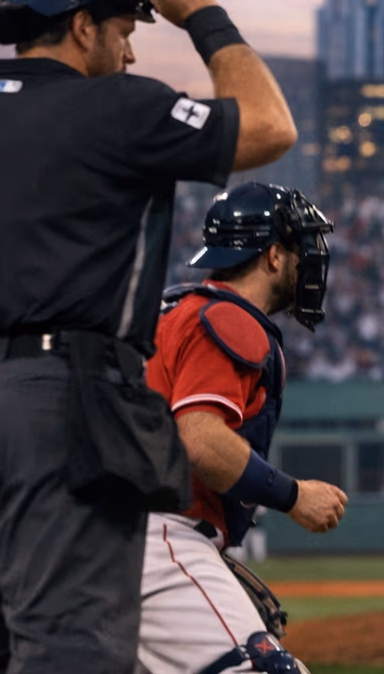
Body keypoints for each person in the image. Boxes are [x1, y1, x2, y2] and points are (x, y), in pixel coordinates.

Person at [0, 0, 296, 673]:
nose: (129, 53)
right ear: (81, 25)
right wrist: (201, 12)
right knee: (70, 649)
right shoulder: (119, 106)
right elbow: (270, 127)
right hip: (61, 406)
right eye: (125, 30)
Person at [139, 182, 347, 674]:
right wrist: (293, 496)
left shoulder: (171, 309)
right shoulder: (230, 320)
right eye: (298, 248)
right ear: (273, 255)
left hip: (94, 533)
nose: (308, 261)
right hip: (158, 534)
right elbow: (200, 439)